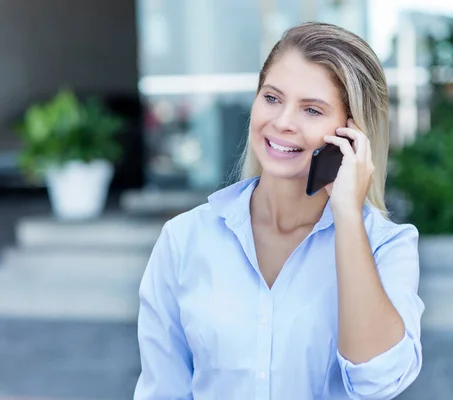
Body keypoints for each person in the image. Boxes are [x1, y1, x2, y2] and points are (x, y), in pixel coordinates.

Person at [134, 22, 424, 400]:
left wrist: (349, 217)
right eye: (272, 98)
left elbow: (379, 381)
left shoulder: (387, 248)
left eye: (312, 109)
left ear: (352, 134)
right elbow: (163, 390)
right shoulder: (184, 239)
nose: (283, 122)